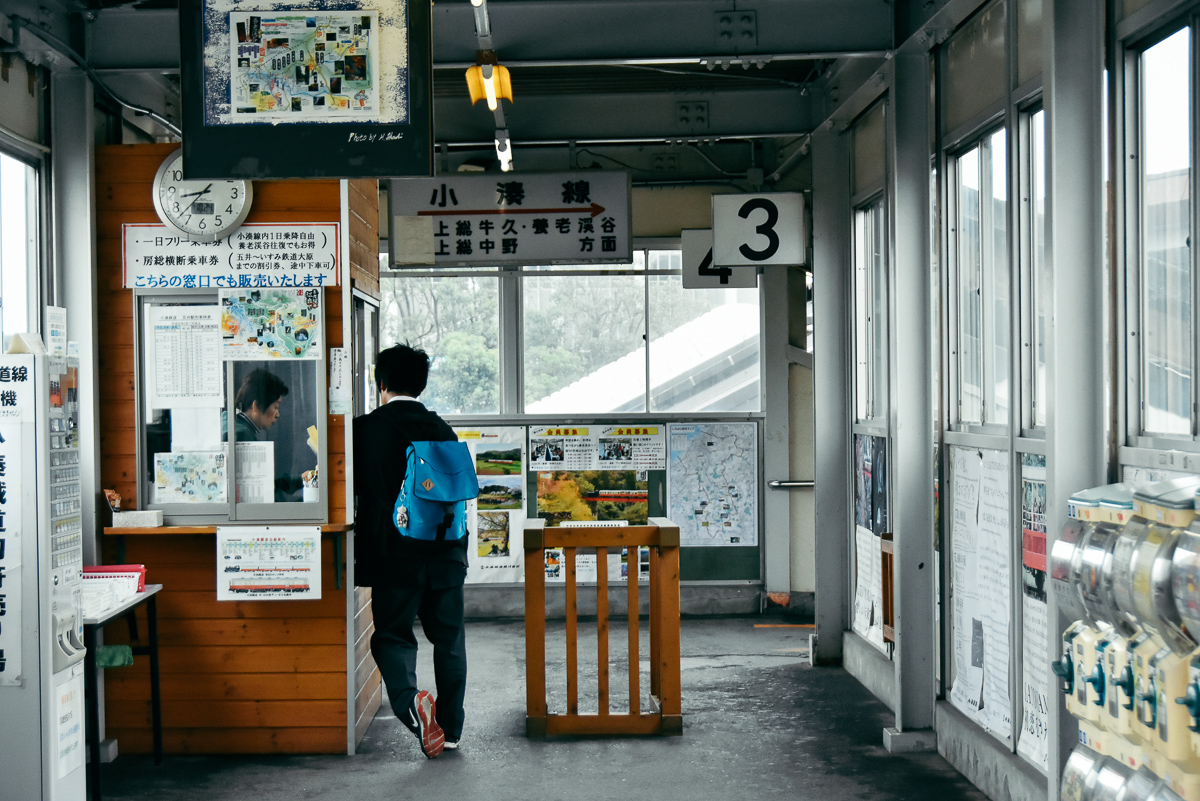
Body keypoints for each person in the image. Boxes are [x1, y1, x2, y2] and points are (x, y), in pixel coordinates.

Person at [353, 344, 466, 760]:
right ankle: (451, 730)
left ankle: (410, 700)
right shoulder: (442, 430)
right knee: (449, 640)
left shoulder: (365, 430)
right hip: (447, 554)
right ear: (421, 383)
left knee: (392, 638)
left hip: (392, 556)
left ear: (380, 383)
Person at [221, 368, 288, 442]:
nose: (277, 415)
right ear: (255, 406)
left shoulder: (228, 423)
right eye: (276, 407)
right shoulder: (242, 435)